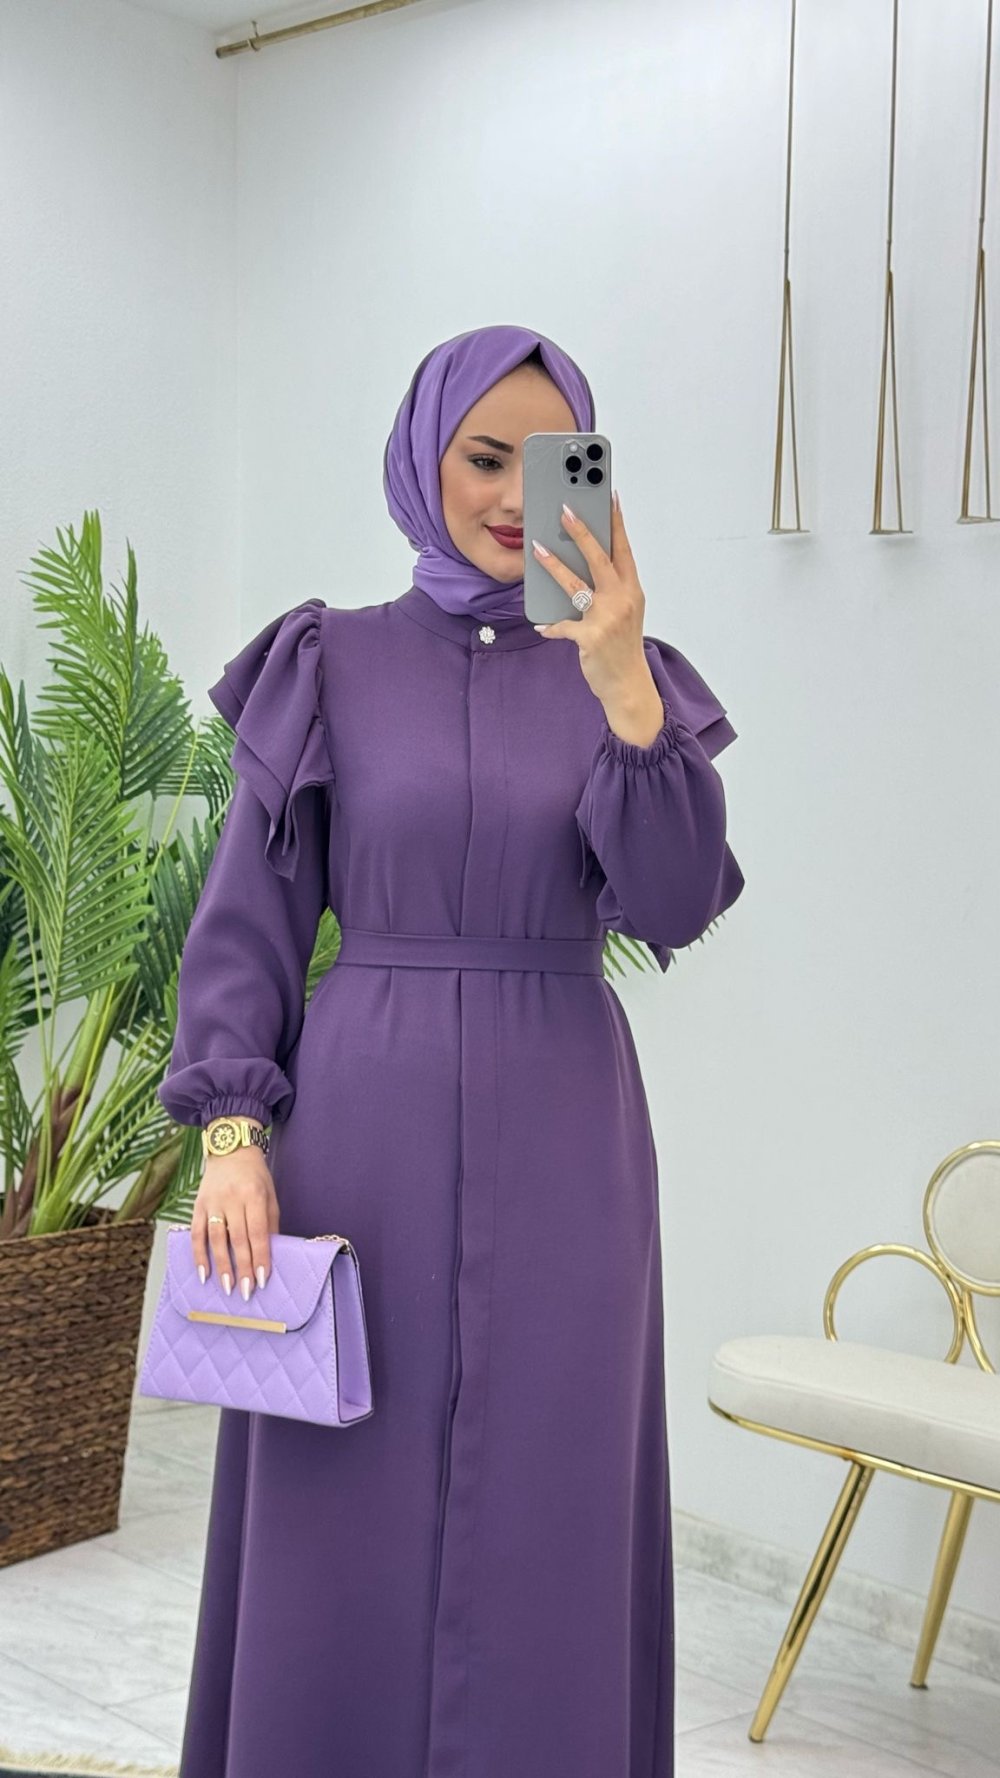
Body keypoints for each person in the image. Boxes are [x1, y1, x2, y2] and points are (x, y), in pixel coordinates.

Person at [156, 322, 745, 1778]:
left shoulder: (624, 677)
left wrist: (623, 686)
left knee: (555, 1476)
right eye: (485, 458)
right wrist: (232, 1133)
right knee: (335, 1481)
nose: (511, 497)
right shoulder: (330, 661)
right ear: (424, 459)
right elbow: (247, 925)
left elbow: (674, 904)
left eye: (549, 465)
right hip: (361, 1132)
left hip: (568, 1135)